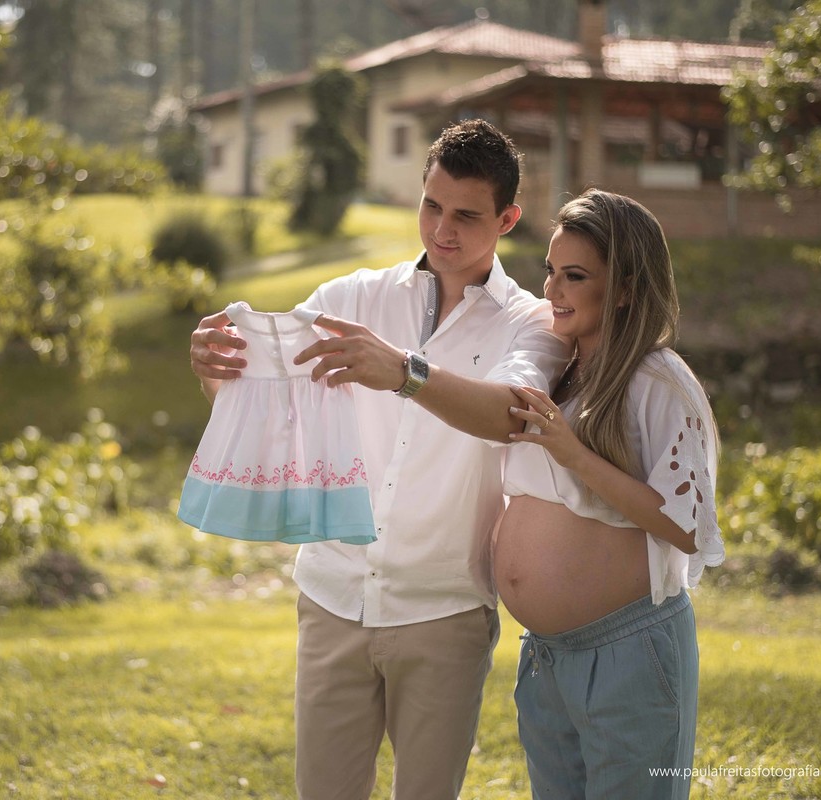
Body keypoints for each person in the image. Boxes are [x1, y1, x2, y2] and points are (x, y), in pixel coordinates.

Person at [189, 119, 569, 799]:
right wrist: (213, 369)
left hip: (444, 614)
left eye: (466, 215)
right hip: (332, 598)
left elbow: (516, 414)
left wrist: (404, 372)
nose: (441, 229)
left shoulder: (530, 322)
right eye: (431, 205)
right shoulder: (349, 300)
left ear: (508, 218)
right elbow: (261, 403)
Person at [492, 189, 724, 799]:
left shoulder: (658, 380)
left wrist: (574, 454)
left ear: (623, 288)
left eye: (574, 277)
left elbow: (687, 527)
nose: (552, 290)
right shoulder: (559, 371)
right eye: (550, 271)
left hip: (628, 653)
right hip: (545, 658)